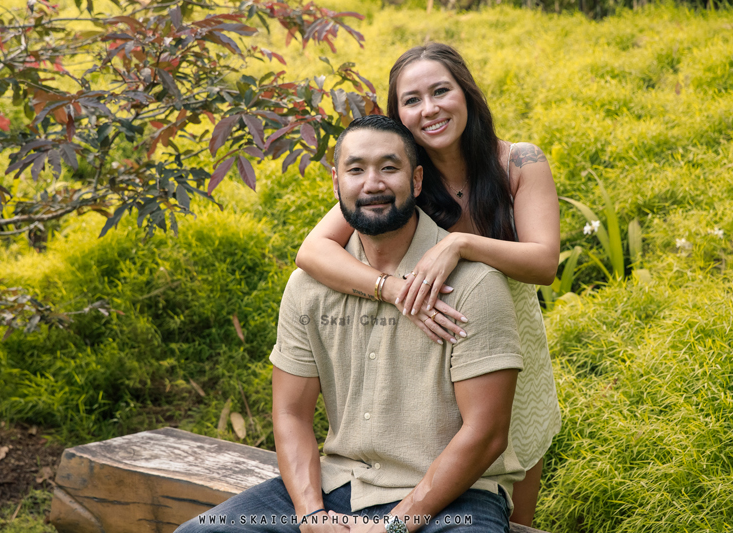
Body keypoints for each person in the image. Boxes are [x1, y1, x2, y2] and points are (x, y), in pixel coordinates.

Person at [175, 115, 529, 533]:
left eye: (389, 167)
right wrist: (310, 513)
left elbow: (486, 435)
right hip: (338, 485)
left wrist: (393, 527)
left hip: (454, 499)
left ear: (417, 181)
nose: (372, 183)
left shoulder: (473, 285)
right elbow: (290, 413)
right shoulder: (309, 288)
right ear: (336, 182)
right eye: (356, 169)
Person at [295, 43, 561, 526]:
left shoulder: (518, 163)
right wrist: (391, 289)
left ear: (466, 93)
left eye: (441, 91)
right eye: (411, 101)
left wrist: (460, 245)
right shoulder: (399, 176)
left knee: (513, 511)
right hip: (431, 354)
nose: (430, 109)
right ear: (397, 114)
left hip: (512, 339)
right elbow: (311, 253)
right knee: (442, 481)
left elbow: (544, 262)